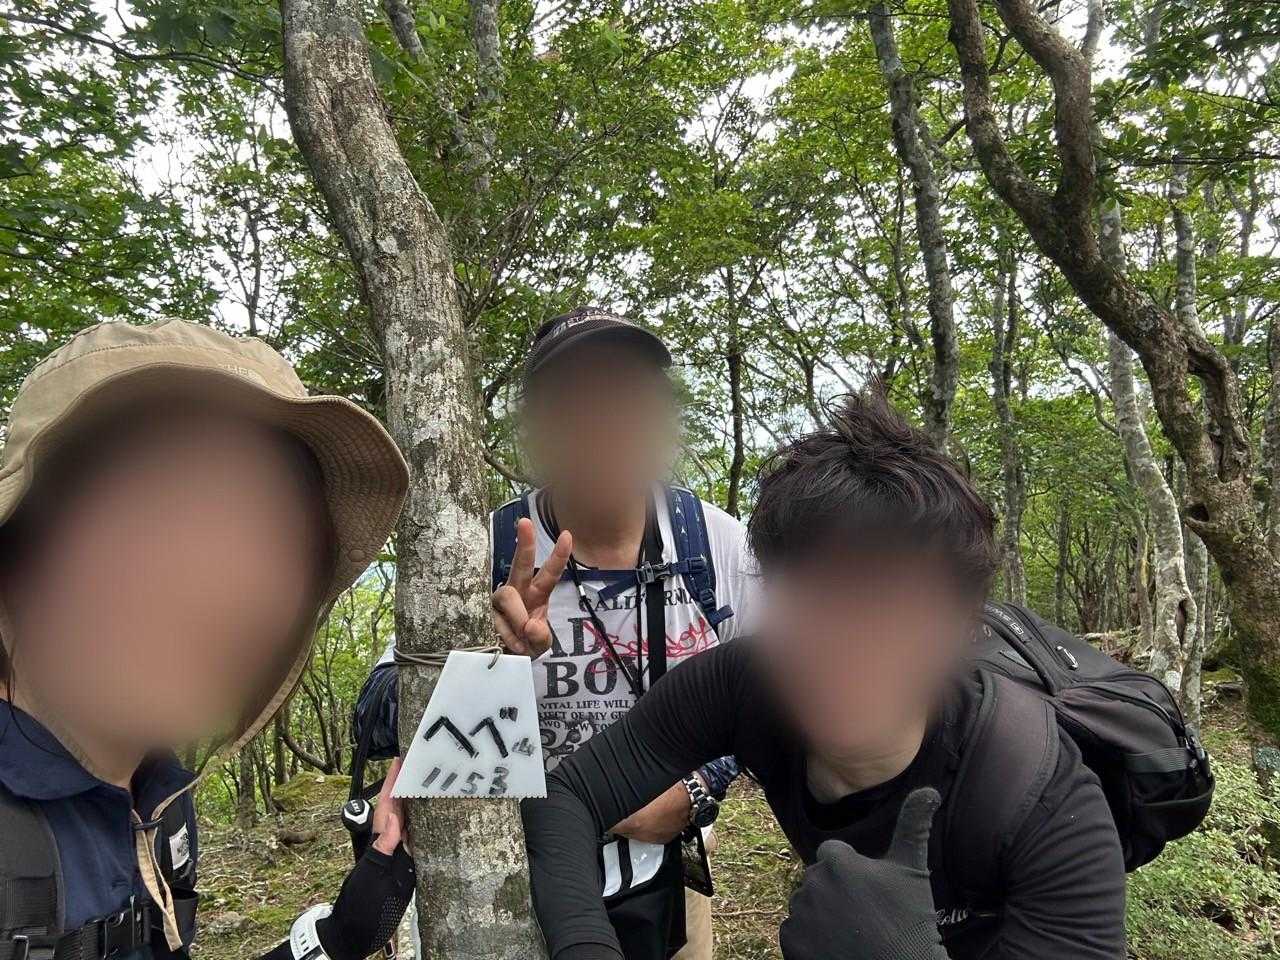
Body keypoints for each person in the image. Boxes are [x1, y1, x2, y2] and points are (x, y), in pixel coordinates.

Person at [521, 392, 1128, 960]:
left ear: (961, 628)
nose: (849, 643)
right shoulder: (747, 683)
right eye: (817, 597)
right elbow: (567, 798)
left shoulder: (1043, 803)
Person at [0, 319, 416, 960]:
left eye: (275, 538)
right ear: (20, 547)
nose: (225, 589)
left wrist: (338, 938)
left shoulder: (157, 796)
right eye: (157, 510)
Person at [356, 306, 759, 960]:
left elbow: (773, 696)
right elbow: (376, 712)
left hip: (663, 882)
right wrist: (482, 662)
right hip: (508, 883)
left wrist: (697, 790)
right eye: (574, 402)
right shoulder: (484, 550)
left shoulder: (713, 546)